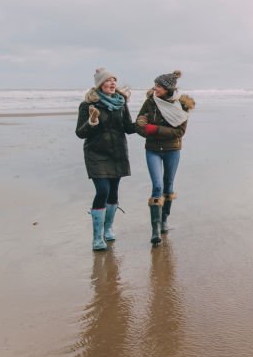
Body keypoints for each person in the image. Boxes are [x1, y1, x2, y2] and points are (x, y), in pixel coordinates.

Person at [75, 67, 136, 251]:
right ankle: (97, 238)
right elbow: (80, 132)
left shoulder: (121, 102)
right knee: (102, 190)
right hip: (96, 153)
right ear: (100, 85)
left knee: (113, 192)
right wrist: (92, 122)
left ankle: (108, 228)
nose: (112, 83)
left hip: (116, 153)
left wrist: (143, 123)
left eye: (114, 80)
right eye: (108, 81)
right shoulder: (88, 106)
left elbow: (127, 127)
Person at [136, 70, 195, 246]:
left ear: (168, 88)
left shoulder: (182, 106)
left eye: (159, 86)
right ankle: (155, 230)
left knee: (168, 186)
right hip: (152, 149)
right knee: (157, 186)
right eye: (155, 85)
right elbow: (138, 126)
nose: (155, 88)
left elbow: (180, 131)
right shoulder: (150, 102)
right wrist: (145, 128)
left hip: (172, 150)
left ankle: (164, 221)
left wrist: (153, 129)